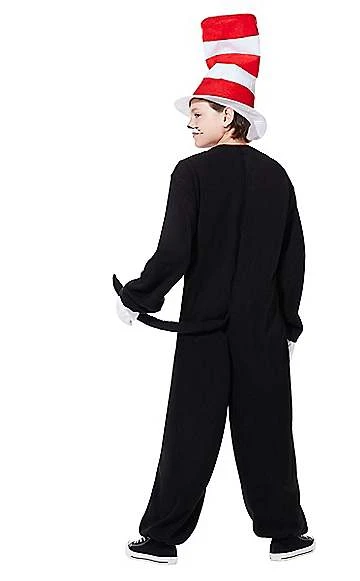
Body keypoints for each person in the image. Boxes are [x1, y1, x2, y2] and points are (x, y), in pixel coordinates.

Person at [115, 13, 315, 563]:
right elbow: (293, 258)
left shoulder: (192, 173)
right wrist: (288, 322)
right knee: (268, 430)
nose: (190, 123)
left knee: (189, 430)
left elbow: (175, 252)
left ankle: (161, 539)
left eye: (198, 113)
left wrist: (138, 296)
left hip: (205, 327)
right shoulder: (277, 176)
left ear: (228, 115)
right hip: (264, 331)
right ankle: (286, 534)